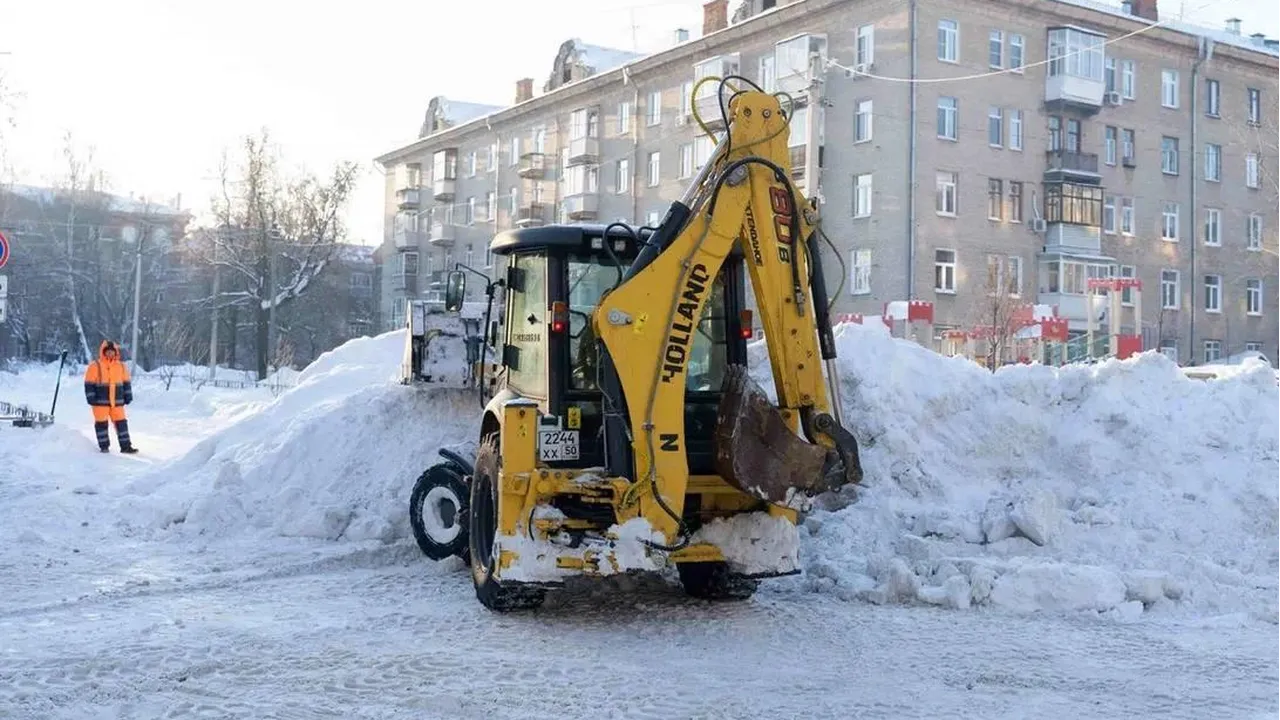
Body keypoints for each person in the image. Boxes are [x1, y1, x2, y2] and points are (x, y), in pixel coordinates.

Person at [83, 340, 138, 454]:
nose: (110, 354)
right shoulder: (95, 366)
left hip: (117, 402)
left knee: (121, 424)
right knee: (102, 425)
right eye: (107, 352)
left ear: (116, 352)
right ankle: (104, 447)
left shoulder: (121, 366)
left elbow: (126, 382)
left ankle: (126, 446)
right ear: (103, 352)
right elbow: (89, 384)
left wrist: (128, 395)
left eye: (112, 352)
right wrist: (91, 397)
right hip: (100, 402)